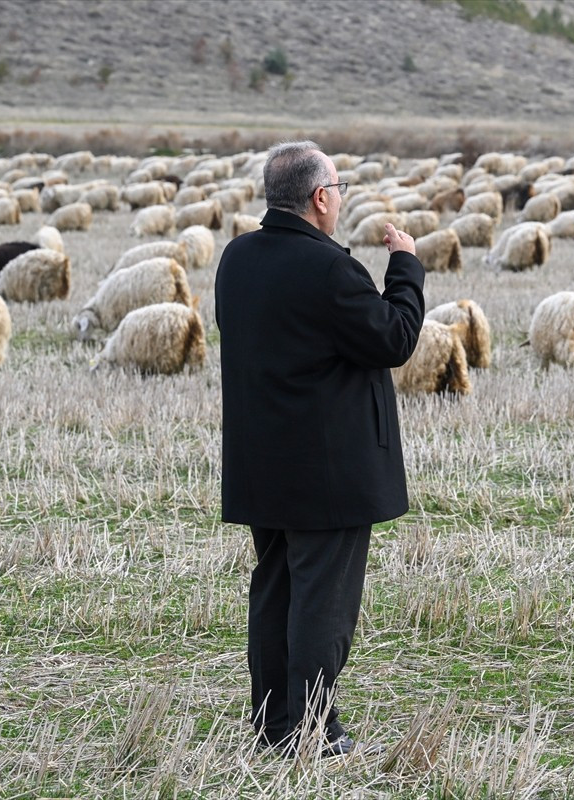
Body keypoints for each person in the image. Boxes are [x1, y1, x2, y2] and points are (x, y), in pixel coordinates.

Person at [215, 140, 425, 755]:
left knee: (275, 589)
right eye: (338, 188)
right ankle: (311, 728)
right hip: (329, 472)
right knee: (322, 604)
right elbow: (393, 338)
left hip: (262, 464)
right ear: (321, 197)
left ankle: (273, 721)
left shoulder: (237, 257)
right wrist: (406, 267)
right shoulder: (329, 267)